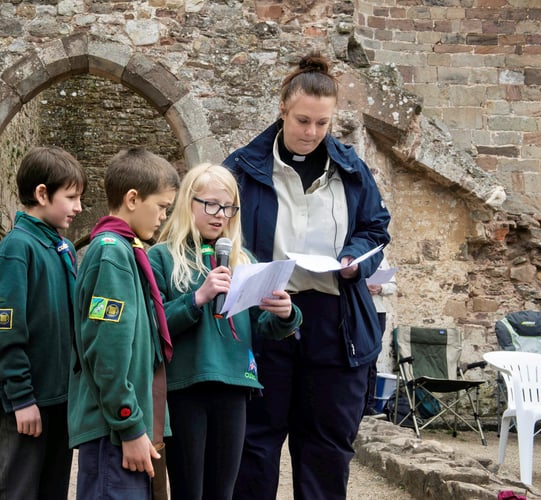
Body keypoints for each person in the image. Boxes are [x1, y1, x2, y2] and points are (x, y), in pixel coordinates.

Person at [223, 53, 391, 500]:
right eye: (302, 120)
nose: (311, 132)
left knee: (327, 447)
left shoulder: (352, 170)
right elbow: (216, 235)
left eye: (322, 123)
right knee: (254, 445)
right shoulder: (240, 168)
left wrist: (356, 259)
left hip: (335, 322)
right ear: (282, 109)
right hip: (266, 317)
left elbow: (376, 229)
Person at [147, 163, 303, 500]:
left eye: (229, 207)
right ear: (189, 202)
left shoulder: (242, 258)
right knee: (190, 490)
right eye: (212, 205)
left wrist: (286, 314)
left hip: (235, 385)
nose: (221, 215)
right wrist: (198, 298)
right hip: (186, 384)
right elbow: (153, 326)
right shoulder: (162, 257)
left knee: (222, 491)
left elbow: (262, 326)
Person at [69, 148, 179, 500]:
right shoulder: (112, 253)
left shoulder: (125, 250)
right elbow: (107, 349)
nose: (163, 216)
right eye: (161, 206)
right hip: (113, 431)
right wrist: (129, 425)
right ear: (133, 198)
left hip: (122, 427)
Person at [0, 146, 87, 500]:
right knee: (19, 490)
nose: (78, 208)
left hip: (58, 398)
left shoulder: (62, 248)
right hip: (26, 403)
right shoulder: (16, 248)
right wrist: (22, 398)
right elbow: (2, 329)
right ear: (42, 194)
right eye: (71, 197)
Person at [363, 256, 397, 417]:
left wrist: (380, 288)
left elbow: (392, 286)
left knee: (371, 358)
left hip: (377, 312)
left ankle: (368, 404)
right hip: (356, 309)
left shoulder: (380, 258)